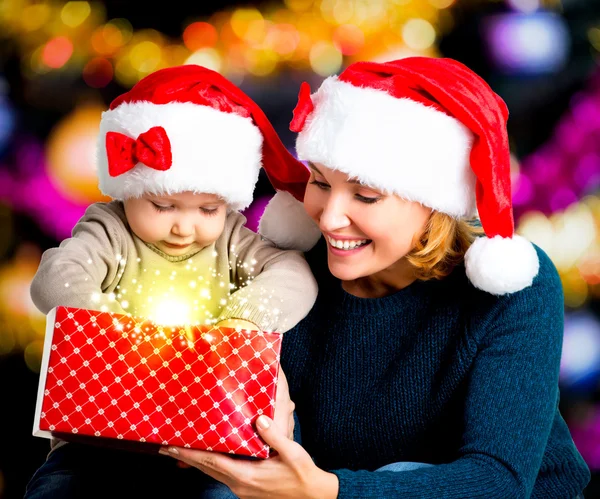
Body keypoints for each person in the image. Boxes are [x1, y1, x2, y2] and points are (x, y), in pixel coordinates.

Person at [157, 57, 591, 499]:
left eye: (365, 195)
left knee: (405, 470)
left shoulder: (512, 288)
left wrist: (326, 491)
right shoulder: (285, 276)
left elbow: (497, 481)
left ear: (433, 204)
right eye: (321, 183)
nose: (329, 218)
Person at [25, 65, 316, 499]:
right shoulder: (110, 230)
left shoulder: (232, 240)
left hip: (211, 439)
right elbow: (54, 276)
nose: (185, 227)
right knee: (60, 490)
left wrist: (246, 319)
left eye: (207, 210)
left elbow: (295, 275)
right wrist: (108, 324)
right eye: (164, 205)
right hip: (100, 439)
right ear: (128, 190)